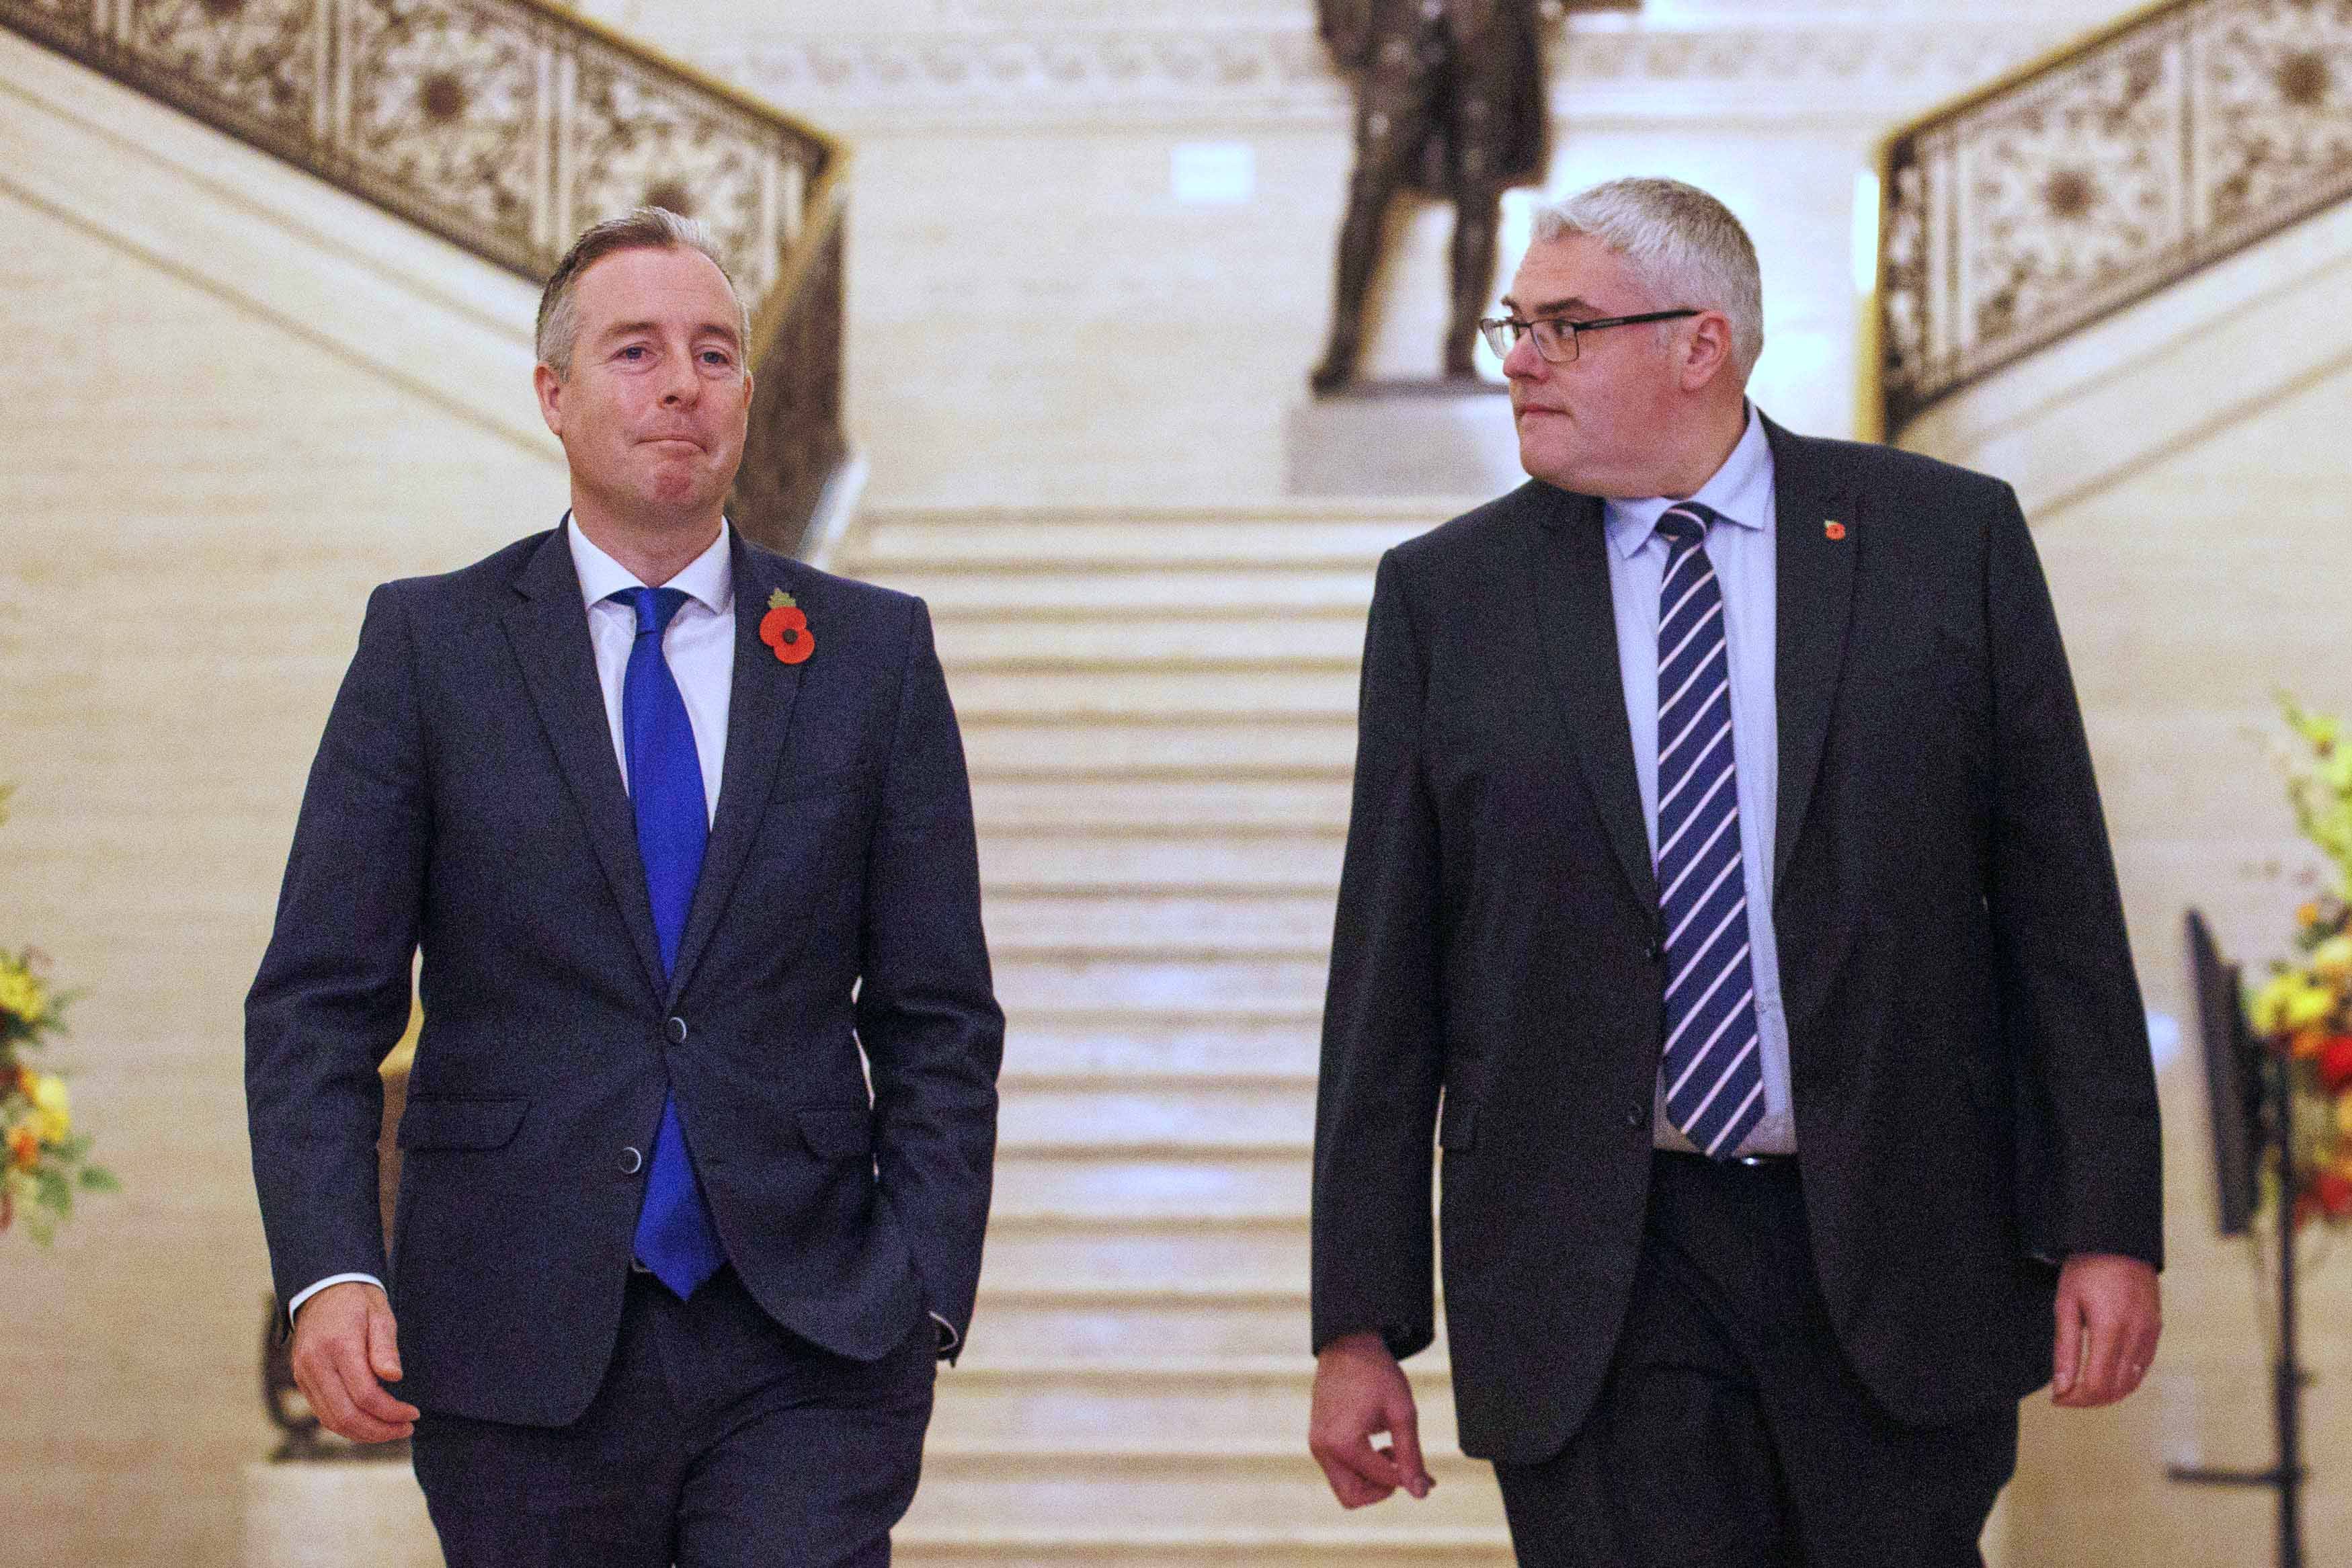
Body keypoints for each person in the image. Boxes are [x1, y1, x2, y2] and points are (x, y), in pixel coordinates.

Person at [1305, 177, 2162, 1565]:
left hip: (1897, 1252)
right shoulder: (1446, 598)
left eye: (1567, 326)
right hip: (1600, 1275)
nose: (1520, 358)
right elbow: (1385, 980)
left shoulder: (1946, 543)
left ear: (1700, 343)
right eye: (1513, 325)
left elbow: (2060, 912)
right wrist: (1358, 1318)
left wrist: (2109, 1224)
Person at [246, 206, 1003, 1566]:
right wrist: (331, 1263)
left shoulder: (869, 655)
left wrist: (924, 1284)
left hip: (808, 1336)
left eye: (715, 352)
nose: (681, 384)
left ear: (747, 398)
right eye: (636, 349)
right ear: (554, 393)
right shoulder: (431, 647)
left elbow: (938, 1010)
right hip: (513, 1333)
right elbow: (315, 1003)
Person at [1309, 0, 1552, 393]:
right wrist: (1342, 29)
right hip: (1397, 26)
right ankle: (1343, 346)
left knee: (1479, 193)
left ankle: (1460, 353)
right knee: (1370, 188)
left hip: (1483, 25)